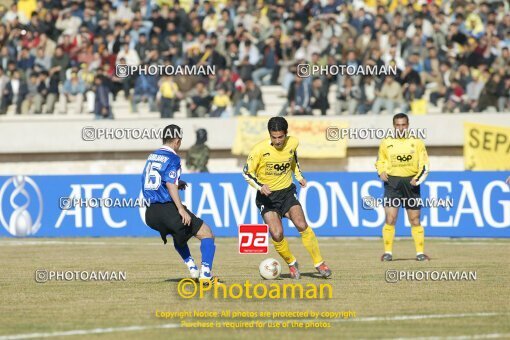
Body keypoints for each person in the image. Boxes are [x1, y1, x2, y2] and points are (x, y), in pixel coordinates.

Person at [243, 117, 332, 279]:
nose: (277, 141)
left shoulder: (293, 143)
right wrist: (260, 186)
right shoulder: (259, 150)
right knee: (277, 234)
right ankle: (292, 263)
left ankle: (319, 263)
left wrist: (299, 176)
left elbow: (293, 160)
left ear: (286, 134)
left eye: (280, 137)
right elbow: (247, 173)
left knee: (301, 224)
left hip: (286, 193)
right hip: (267, 198)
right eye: (273, 137)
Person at [142, 125, 218, 283]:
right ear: (177, 140)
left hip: (150, 213)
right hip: (167, 208)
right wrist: (180, 209)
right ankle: (205, 274)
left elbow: (152, 180)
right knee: (207, 233)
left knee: (178, 235)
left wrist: (177, 182)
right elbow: (170, 184)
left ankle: (192, 268)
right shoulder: (173, 158)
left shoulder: (153, 155)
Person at [375, 113, 430, 262]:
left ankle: (420, 253)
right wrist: (381, 171)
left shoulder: (417, 142)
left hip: (411, 184)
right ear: (394, 126)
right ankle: (387, 253)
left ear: (408, 125)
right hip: (392, 183)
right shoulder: (386, 142)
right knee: (390, 218)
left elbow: (424, 164)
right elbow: (380, 161)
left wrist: (417, 179)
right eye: (398, 125)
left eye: (403, 125)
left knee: (415, 219)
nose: (400, 128)